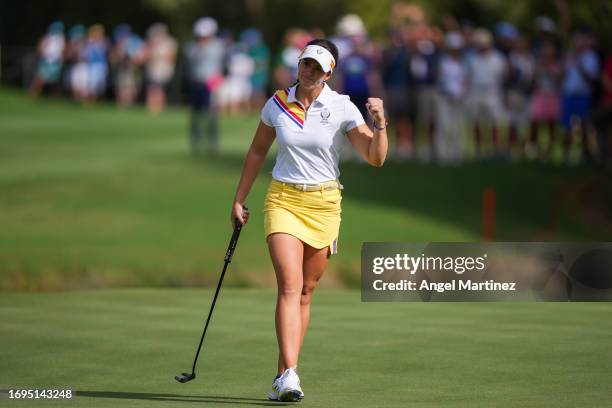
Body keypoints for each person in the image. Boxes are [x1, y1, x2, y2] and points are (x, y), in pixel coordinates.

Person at [230, 39, 387, 402]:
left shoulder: (342, 107)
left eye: (316, 67)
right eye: (304, 64)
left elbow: (375, 157)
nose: (308, 71)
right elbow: (257, 151)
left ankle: (283, 371)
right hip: (283, 199)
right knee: (289, 283)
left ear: (328, 72)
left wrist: (380, 124)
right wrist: (239, 199)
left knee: (305, 291)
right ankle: (289, 375)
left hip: (324, 204)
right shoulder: (278, 103)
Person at [185, 17, 225, 154]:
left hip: (211, 83)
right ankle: (195, 141)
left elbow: (219, 62)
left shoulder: (218, 46)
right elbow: (190, 58)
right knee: (195, 113)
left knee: (211, 114)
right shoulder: (193, 46)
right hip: (196, 82)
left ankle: (212, 143)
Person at [144, 23, 177, 114]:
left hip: (163, 70)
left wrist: (158, 56)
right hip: (153, 69)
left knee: (159, 88)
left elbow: (172, 57)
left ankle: (159, 107)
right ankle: (152, 107)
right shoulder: (152, 42)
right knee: (153, 88)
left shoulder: (170, 42)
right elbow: (146, 55)